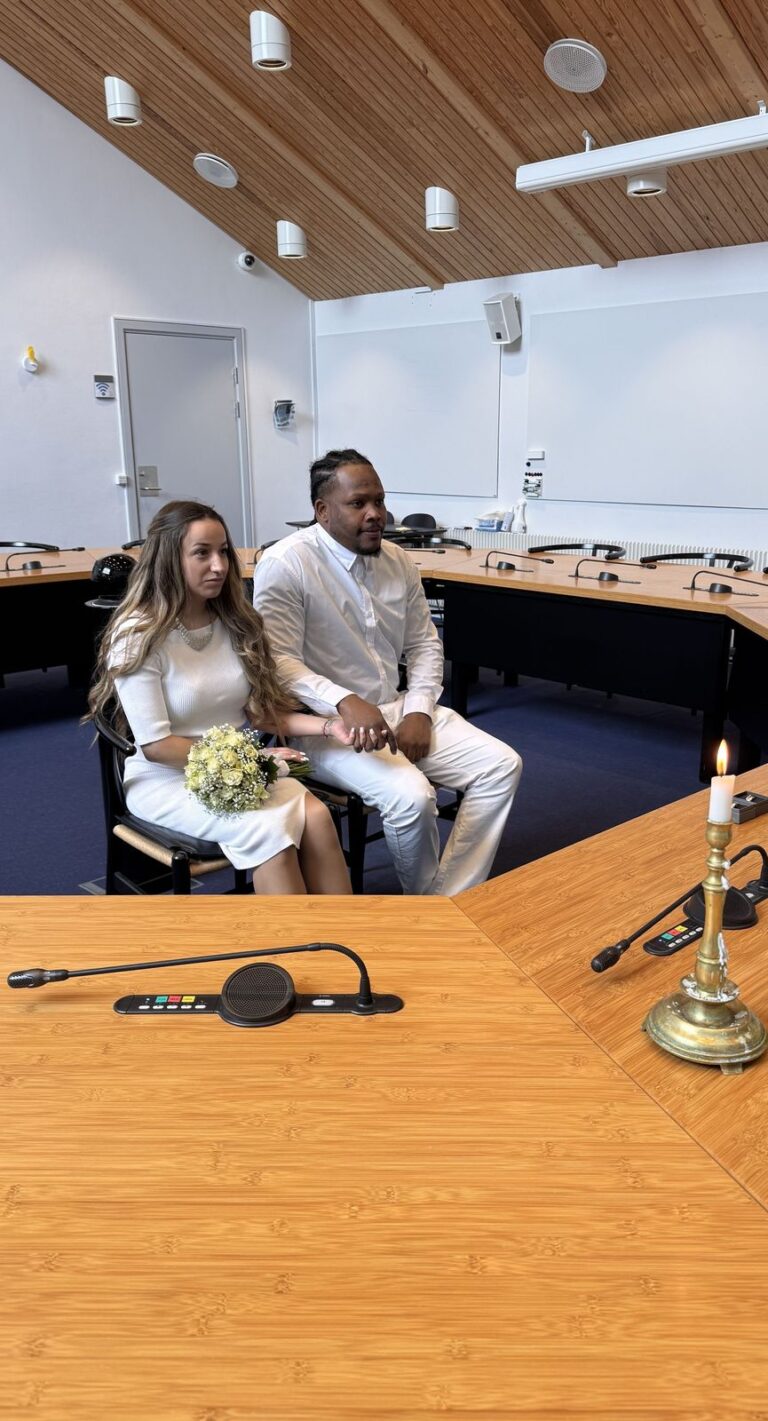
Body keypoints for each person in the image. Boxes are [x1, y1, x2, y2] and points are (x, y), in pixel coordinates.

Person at [252, 450, 522, 895]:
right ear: (322, 510)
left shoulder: (397, 560)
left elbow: (424, 644)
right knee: (413, 798)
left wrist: (419, 709)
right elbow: (279, 661)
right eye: (358, 503)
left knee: (501, 766)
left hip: (396, 708)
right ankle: (430, 906)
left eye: (379, 500)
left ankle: (444, 901)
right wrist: (343, 700)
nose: (375, 514)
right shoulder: (288, 564)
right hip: (324, 728)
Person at [88, 500, 353, 895]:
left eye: (223, 551)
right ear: (169, 560)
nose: (219, 566)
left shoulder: (235, 622)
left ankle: (344, 930)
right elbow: (158, 747)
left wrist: (331, 726)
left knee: (317, 817)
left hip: (241, 770)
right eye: (202, 553)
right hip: (166, 779)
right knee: (272, 834)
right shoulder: (138, 635)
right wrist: (254, 759)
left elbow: (260, 714)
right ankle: (295, 936)